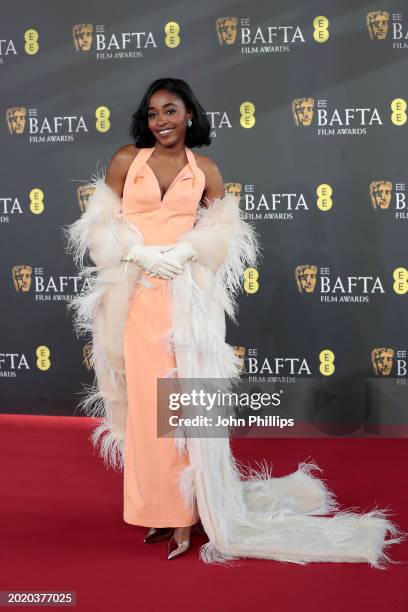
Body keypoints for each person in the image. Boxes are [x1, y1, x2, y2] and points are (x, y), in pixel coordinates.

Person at [64, 77, 403, 565]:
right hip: (136, 300)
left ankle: (185, 512)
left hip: (187, 303)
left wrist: (186, 248)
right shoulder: (126, 160)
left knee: (183, 408)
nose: (162, 120)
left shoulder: (204, 170)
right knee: (147, 407)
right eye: (154, 112)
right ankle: (158, 507)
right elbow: (99, 225)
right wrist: (137, 251)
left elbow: (224, 233)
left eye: (171, 111)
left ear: (190, 116)